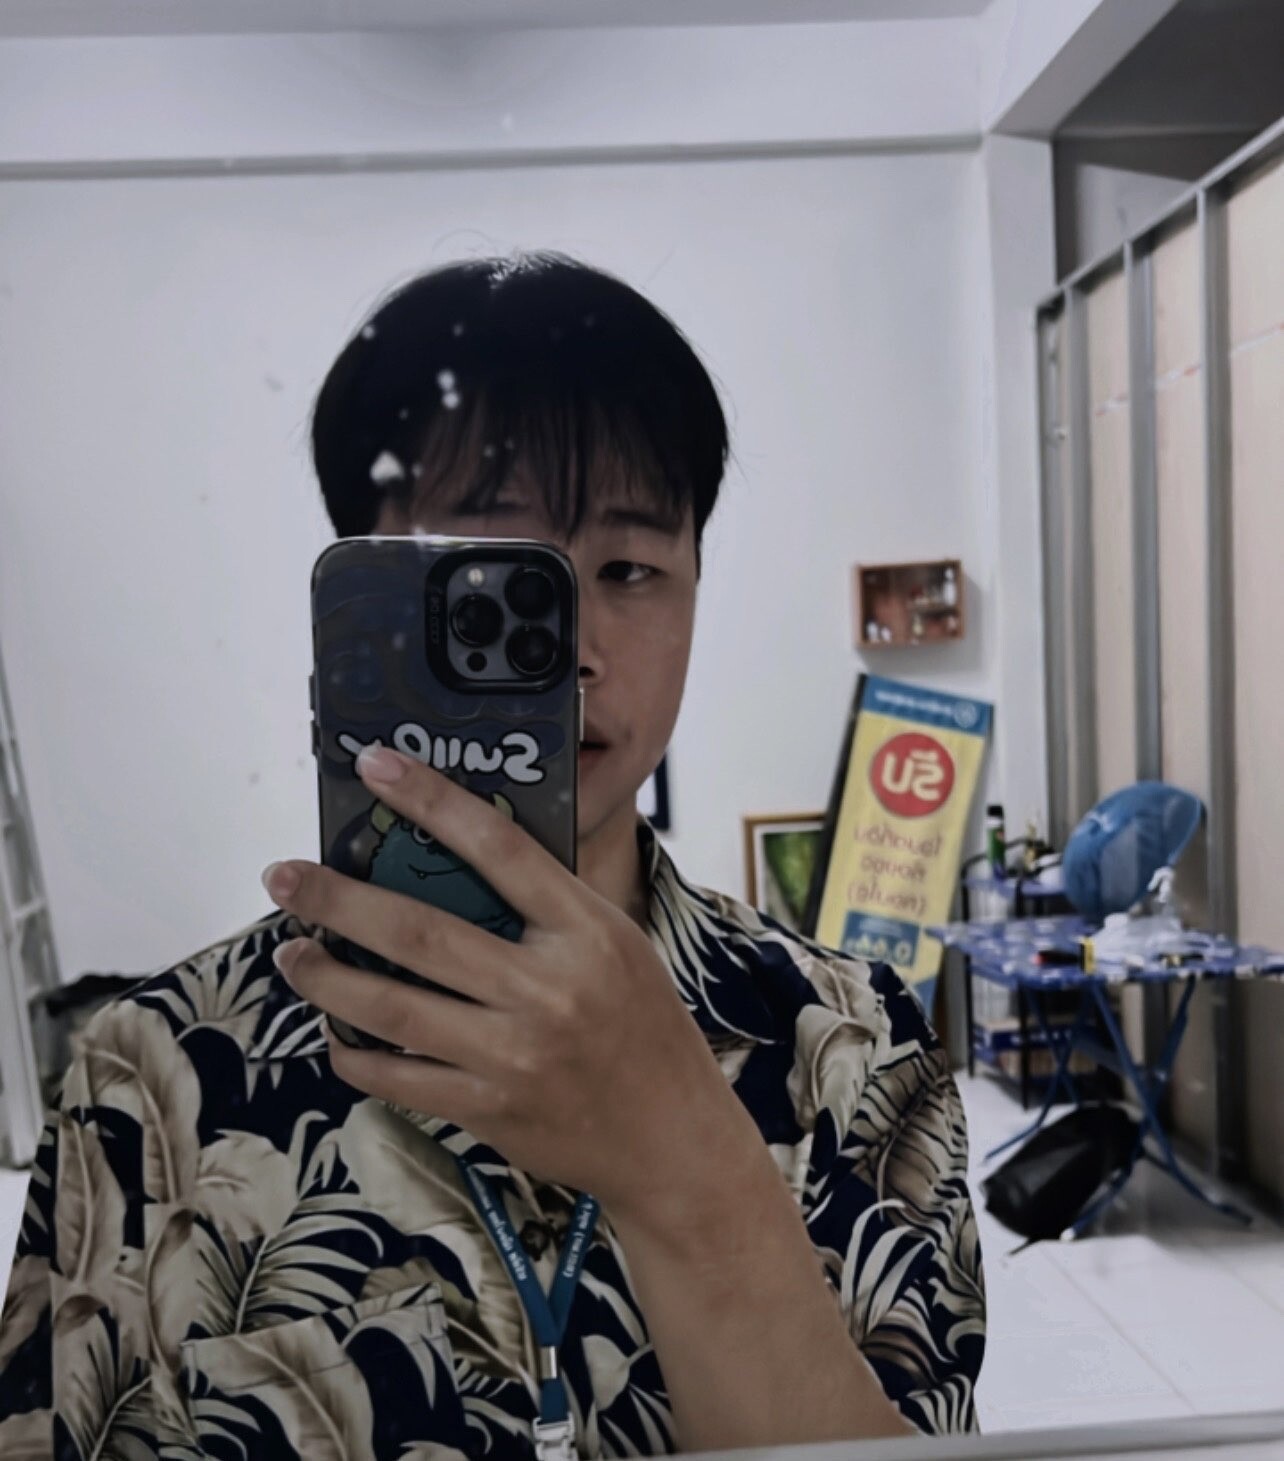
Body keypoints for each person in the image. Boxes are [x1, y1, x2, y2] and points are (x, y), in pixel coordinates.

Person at [0, 254, 985, 1460]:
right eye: (487, 587)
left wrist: (689, 1172)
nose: (569, 650)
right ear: (357, 612)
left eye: (629, 570)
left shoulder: (860, 1047)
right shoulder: (147, 1074)